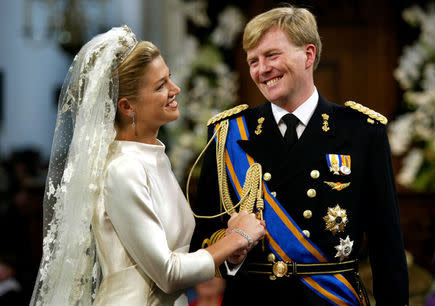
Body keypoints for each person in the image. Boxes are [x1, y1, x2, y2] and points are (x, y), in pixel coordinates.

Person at [30, 26, 265, 306]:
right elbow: (167, 273)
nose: (174, 90)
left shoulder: (152, 157)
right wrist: (235, 238)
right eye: (160, 86)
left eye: (170, 79)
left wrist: (230, 252)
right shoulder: (123, 169)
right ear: (127, 107)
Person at [191, 6, 409, 305]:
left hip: (329, 299)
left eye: (271, 55)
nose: (261, 69)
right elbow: (203, 236)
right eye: (253, 61)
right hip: (254, 299)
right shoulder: (229, 134)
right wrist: (232, 251)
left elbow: (387, 246)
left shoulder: (361, 131)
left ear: (308, 55)